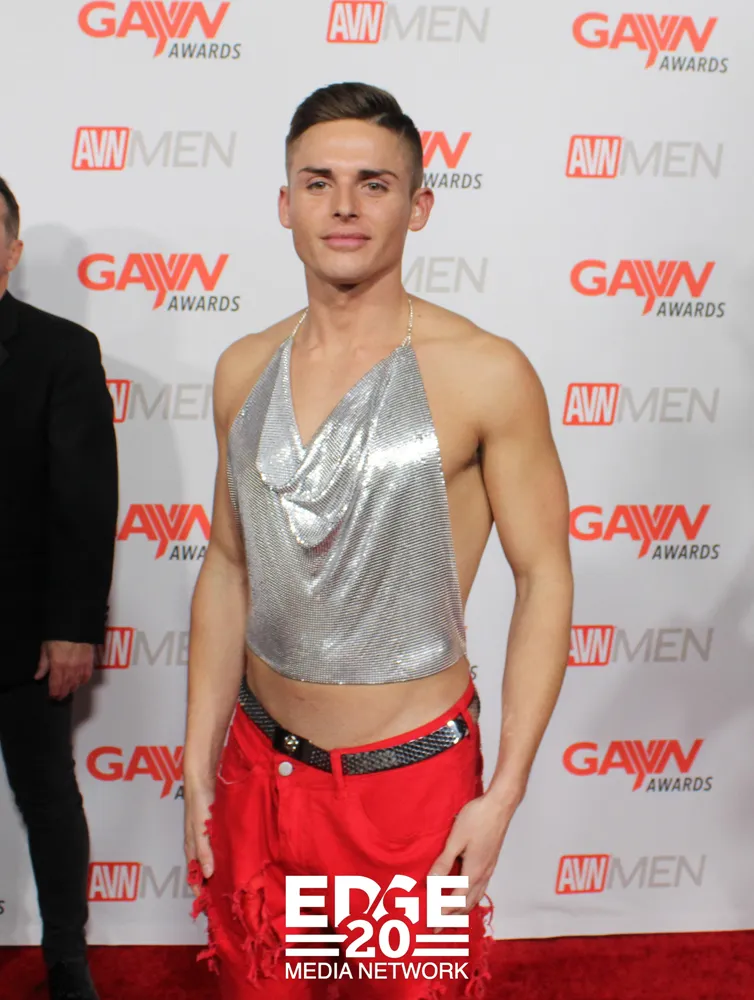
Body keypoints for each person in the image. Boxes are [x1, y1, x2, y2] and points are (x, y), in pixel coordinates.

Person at [184, 83, 573, 999]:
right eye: (318, 182)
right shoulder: (242, 369)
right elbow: (229, 565)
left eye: (374, 183)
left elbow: (544, 577)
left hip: (411, 793)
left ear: (418, 205)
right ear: (286, 204)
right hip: (261, 773)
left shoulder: (485, 372)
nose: (345, 207)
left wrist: (505, 790)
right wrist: (197, 761)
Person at [0, 177, 118, 1000]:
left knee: (46, 794)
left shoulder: (61, 351)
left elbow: (84, 499)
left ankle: (67, 960)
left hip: (20, 632)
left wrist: (74, 626)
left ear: (11, 251)